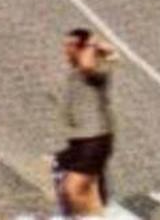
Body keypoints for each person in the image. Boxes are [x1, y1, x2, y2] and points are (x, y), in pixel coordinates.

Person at [57, 28, 114, 216]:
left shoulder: (97, 67)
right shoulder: (75, 70)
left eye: (71, 45)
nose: (66, 49)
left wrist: (92, 44)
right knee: (84, 192)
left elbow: (87, 66)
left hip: (95, 138)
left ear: (82, 48)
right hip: (81, 140)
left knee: (73, 189)